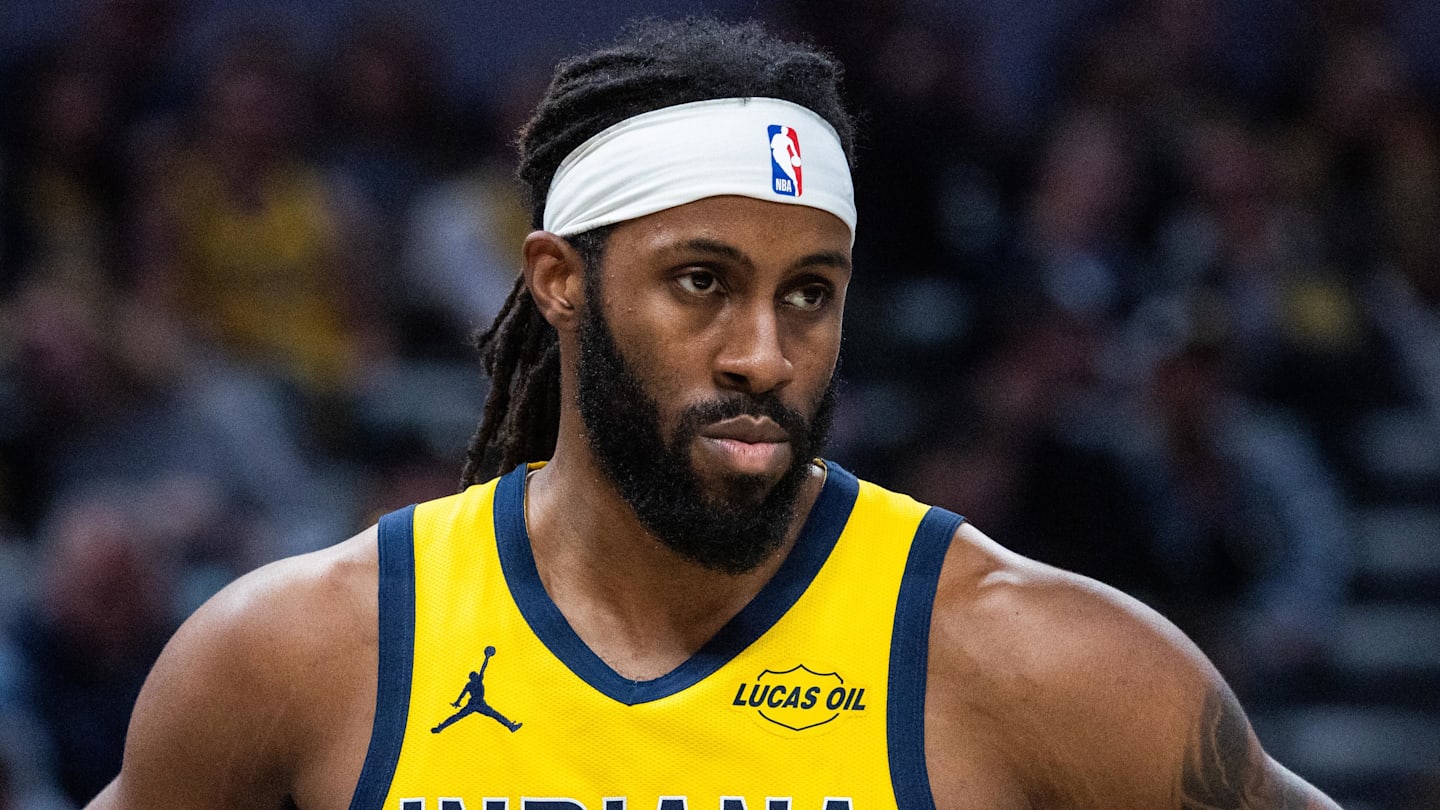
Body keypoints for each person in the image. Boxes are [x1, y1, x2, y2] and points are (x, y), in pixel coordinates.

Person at [89, 18, 1341, 810]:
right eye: (704, 283)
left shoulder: (1039, 663)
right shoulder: (304, 655)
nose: (763, 354)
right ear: (560, 281)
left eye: (811, 294)